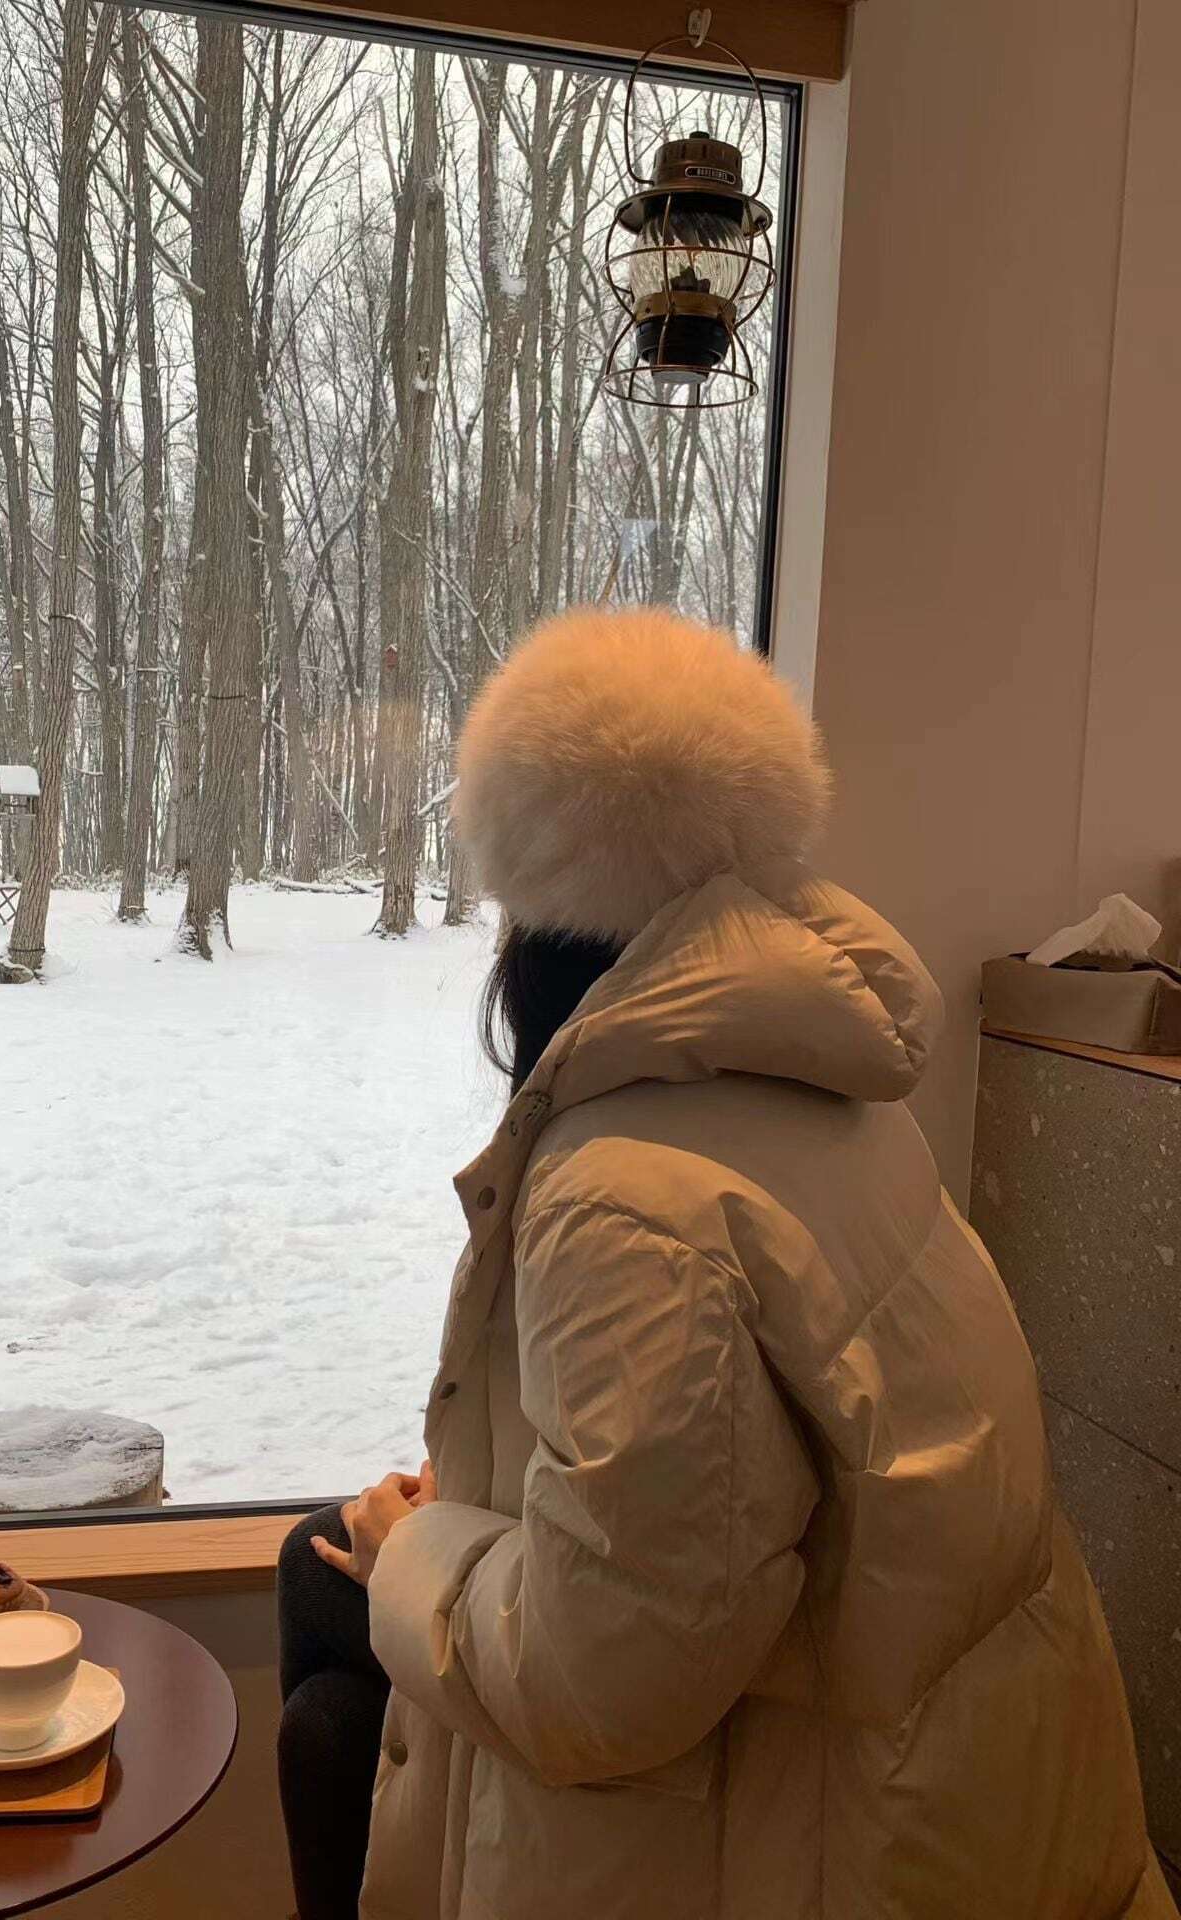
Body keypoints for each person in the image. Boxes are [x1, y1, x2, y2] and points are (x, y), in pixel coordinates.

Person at [277, 606, 1173, 1920]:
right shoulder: (826, 1083)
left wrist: (418, 1549)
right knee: (320, 1572)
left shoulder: (622, 1196)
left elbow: (607, 1679)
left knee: (329, 1575)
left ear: (531, 911)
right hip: (989, 1804)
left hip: (825, 1841)